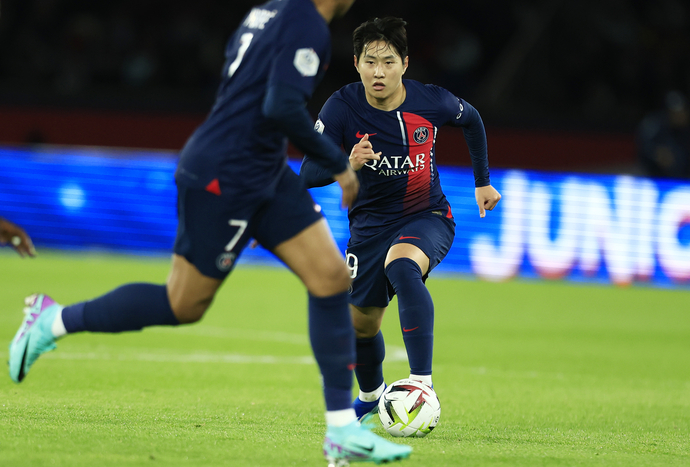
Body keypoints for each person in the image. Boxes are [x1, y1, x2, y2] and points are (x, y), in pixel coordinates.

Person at [8, 1, 412, 464]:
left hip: (262, 169)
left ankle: (341, 431)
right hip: (227, 171)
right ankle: (52, 321)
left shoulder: (268, 10)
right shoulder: (306, 23)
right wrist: (337, 162)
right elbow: (280, 106)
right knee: (183, 303)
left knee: (330, 277)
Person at [300, 17, 501, 420]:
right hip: (369, 227)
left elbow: (473, 119)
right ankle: (371, 396)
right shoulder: (341, 106)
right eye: (370, 62)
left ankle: (421, 383)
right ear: (356, 63)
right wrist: (346, 162)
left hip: (427, 215)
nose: (379, 72)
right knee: (360, 326)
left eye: (388, 62)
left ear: (405, 64)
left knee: (403, 265)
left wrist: (482, 182)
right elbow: (308, 173)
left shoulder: (431, 101)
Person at [636, 90, 690, 180]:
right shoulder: (654, 125)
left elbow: (689, 159)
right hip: (653, 178)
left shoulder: (686, 131)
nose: (681, 116)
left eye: (683, 112)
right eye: (676, 112)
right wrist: (656, 154)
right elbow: (644, 148)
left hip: (680, 180)